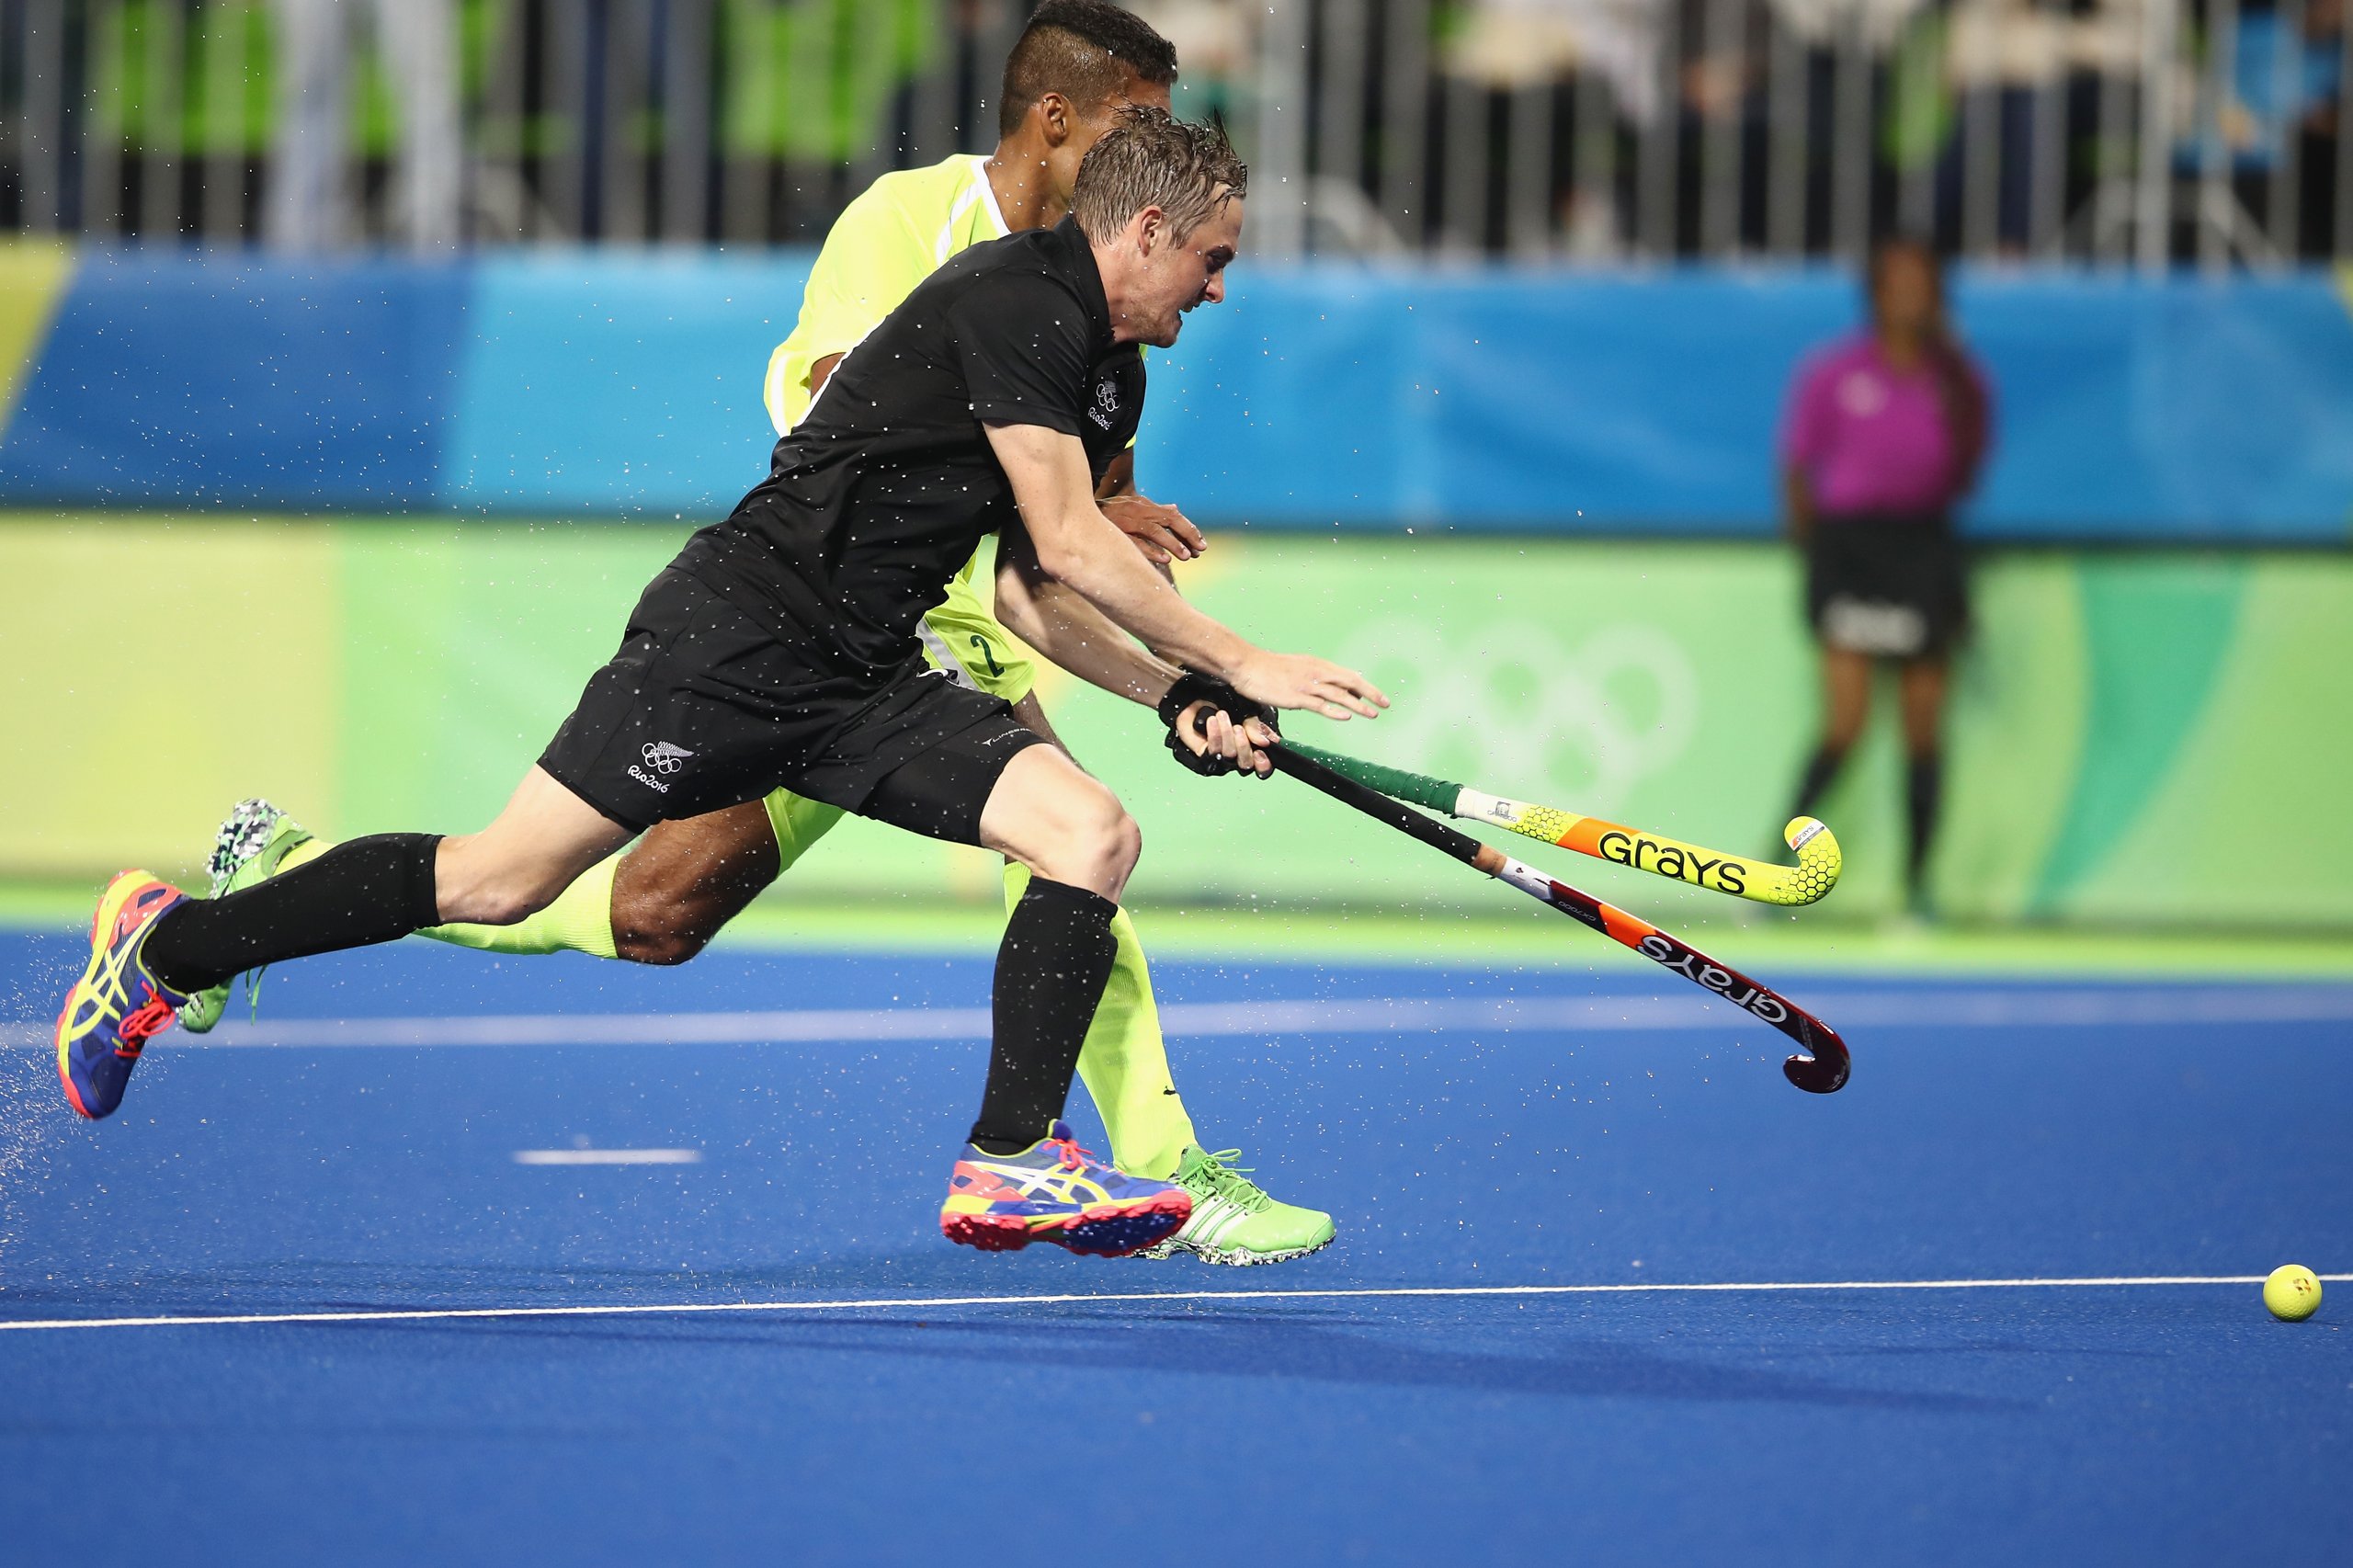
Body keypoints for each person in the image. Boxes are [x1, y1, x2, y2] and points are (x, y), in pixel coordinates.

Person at [58, 108, 1387, 1260]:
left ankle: (1011, 1157)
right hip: (735, 639)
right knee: (503, 877)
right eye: (1213, 260)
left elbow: (1039, 585)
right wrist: (1241, 658)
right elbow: (1082, 538)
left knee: (1088, 831)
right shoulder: (1018, 299)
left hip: (868, 670)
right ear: (1146, 228)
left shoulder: (1107, 365)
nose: (1218, 290)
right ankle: (169, 950)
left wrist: (1169, 695)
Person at [1779, 233, 1992, 917]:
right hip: (1849, 553)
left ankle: (1916, 887)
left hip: (1923, 553)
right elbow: (1796, 469)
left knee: (1924, 730)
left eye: (1922, 281)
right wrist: (1821, 556)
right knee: (1845, 724)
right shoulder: (1831, 373)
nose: (1910, 293)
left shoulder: (1958, 380)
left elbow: (1966, 470)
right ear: (1874, 294)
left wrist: (1953, 376)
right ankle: (1772, 872)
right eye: (1896, 281)